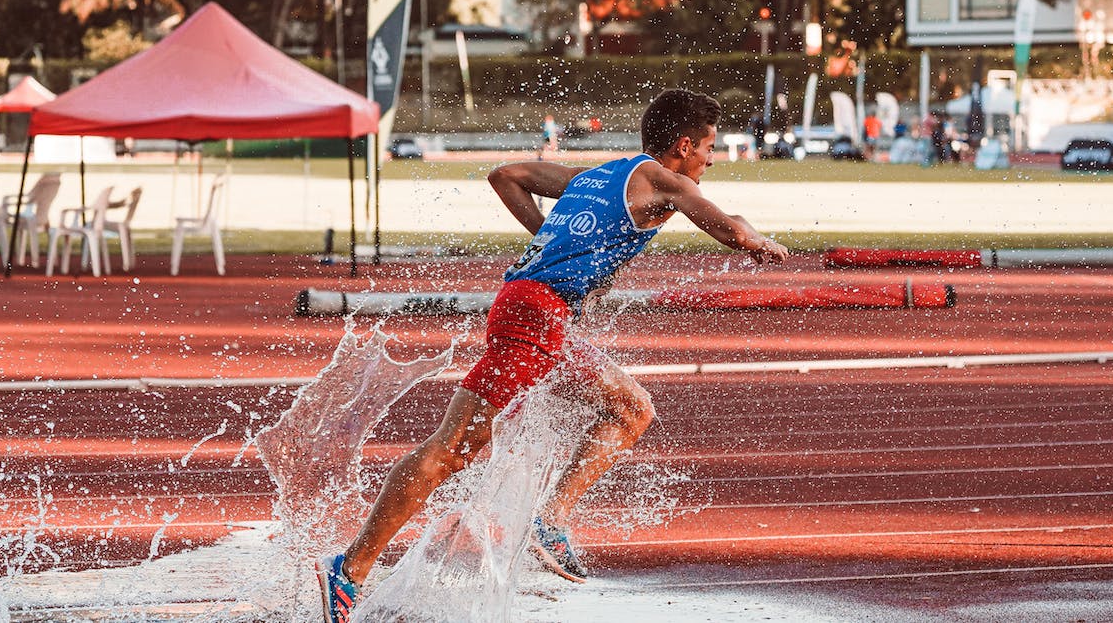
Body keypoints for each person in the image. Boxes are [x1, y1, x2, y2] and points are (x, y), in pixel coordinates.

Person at [316, 89, 790, 623]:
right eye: (709, 148)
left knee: (631, 409)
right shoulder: (666, 180)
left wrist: (552, 240)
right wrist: (761, 245)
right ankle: (351, 565)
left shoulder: (600, 175)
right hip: (533, 317)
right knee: (452, 449)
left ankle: (550, 521)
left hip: (542, 316)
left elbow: (506, 176)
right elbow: (729, 228)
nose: (712, 159)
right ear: (683, 145)